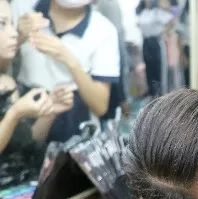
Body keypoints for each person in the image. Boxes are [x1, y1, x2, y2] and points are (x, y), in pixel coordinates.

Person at [12, 0, 120, 143]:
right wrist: (18, 37)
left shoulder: (104, 29)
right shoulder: (23, 8)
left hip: (75, 119)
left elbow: (100, 106)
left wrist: (69, 60)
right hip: (26, 108)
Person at [0, 0, 72, 161]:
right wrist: (14, 114)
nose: (14, 33)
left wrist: (49, 111)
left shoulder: (8, 83)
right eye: (2, 24)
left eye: (12, 23)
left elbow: (26, 144)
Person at [136, 0, 174, 97]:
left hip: (156, 42)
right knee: (149, 71)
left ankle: (161, 96)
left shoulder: (157, 12)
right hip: (146, 43)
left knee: (159, 72)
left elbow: (171, 20)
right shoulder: (143, 12)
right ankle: (152, 95)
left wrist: (163, 31)